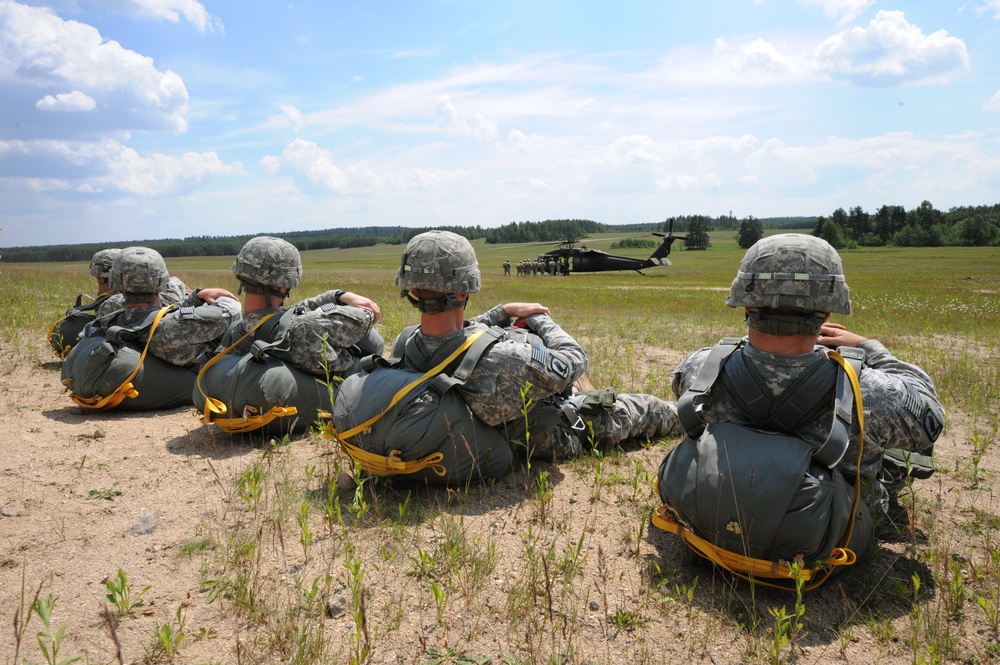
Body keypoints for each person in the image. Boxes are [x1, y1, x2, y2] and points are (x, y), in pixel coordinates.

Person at [657, 234, 945, 577]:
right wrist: (870, 348)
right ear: (826, 312)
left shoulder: (700, 368)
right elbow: (929, 421)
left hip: (707, 517)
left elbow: (679, 388)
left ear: (746, 305)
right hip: (817, 540)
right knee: (897, 462)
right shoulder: (867, 390)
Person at [388, 230, 680, 461]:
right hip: (542, 437)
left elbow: (459, 331)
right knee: (641, 408)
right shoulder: (505, 360)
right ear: (466, 288)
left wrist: (503, 311)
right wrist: (541, 319)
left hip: (472, 430)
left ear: (411, 290)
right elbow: (573, 359)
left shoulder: (408, 344)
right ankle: (690, 414)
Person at [61, 246, 241, 410]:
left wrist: (194, 297)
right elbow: (232, 309)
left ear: (117, 286)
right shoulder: (176, 326)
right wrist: (204, 296)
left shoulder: (110, 314)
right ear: (161, 284)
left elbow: (153, 311)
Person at [219, 236, 383, 376]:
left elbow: (289, 313)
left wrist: (336, 296)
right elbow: (365, 322)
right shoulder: (305, 328)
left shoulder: (237, 330)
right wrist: (361, 309)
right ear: (282, 285)